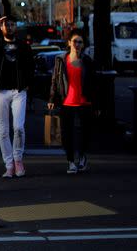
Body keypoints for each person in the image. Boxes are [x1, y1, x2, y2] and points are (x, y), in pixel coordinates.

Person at [0, 15, 34, 178]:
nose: (10, 27)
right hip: (0, 91)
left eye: (12, 24)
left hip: (19, 91)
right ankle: (9, 165)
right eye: (7, 25)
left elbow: (31, 66)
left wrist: (28, 83)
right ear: (2, 27)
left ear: (16, 27)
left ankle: (18, 160)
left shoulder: (23, 46)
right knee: (3, 130)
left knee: (18, 127)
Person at [48, 30, 100, 175]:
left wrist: (96, 104)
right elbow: (55, 80)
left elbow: (93, 83)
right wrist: (52, 98)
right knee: (67, 135)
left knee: (85, 133)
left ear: (83, 45)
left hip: (84, 102)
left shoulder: (87, 61)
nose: (77, 44)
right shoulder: (61, 60)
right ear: (69, 42)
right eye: (75, 41)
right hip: (67, 103)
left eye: (80, 42)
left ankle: (82, 157)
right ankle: (71, 161)